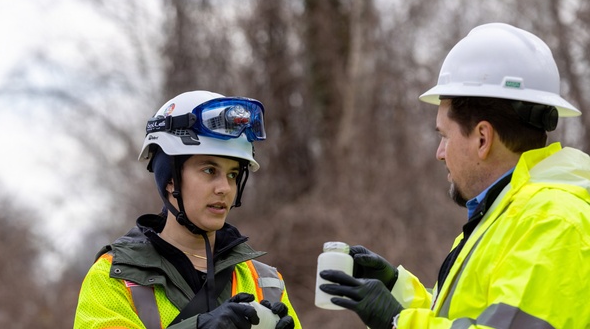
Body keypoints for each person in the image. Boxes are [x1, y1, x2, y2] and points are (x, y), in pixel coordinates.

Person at [318, 23, 590, 328]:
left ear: (482, 138)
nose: (440, 153)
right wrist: (397, 288)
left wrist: (398, 322)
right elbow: (468, 317)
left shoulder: (552, 223)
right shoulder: (509, 215)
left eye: (445, 136)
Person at [74, 90, 301, 329]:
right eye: (209, 171)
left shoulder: (265, 282)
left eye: (233, 174)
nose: (224, 188)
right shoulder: (113, 278)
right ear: (170, 179)